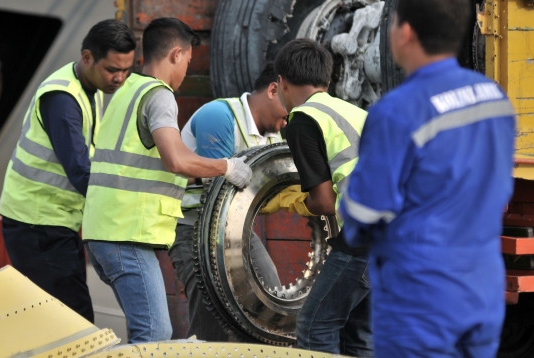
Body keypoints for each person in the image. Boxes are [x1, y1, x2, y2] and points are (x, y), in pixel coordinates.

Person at [339, 0, 516, 356]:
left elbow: (364, 213)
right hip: (481, 287)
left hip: (421, 302)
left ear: (404, 33)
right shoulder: (494, 99)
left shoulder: (398, 111)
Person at [81, 18, 252, 344]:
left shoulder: (125, 90)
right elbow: (175, 159)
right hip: (124, 236)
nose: (187, 70)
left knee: (145, 335)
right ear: (176, 54)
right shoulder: (160, 96)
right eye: (188, 61)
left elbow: (143, 166)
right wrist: (226, 166)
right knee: (154, 335)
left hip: (106, 231)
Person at [0, 19, 136, 323]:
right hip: (37, 224)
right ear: (87, 57)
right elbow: (80, 172)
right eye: (112, 70)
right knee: (73, 322)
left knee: (54, 322)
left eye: (126, 70)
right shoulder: (62, 99)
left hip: (54, 222)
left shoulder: (92, 88)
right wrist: (135, 205)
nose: (120, 79)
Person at [262, 38, 373, 357]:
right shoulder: (353, 111)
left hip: (364, 236)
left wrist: (291, 200)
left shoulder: (304, 120)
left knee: (314, 325)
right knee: (360, 334)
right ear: (327, 79)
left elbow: (323, 202)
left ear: (281, 82)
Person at [169, 62, 287, 341]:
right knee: (212, 316)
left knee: (270, 301)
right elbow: (216, 193)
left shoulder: (273, 134)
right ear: (273, 90)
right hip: (192, 227)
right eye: (289, 106)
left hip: (235, 227)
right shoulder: (219, 114)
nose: (288, 118)